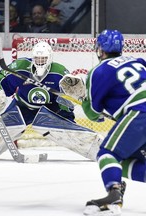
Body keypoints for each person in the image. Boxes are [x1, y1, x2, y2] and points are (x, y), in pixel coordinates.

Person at [0, 41, 102, 161]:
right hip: (22, 107)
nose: (40, 61)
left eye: (43, 59)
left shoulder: (58, 71)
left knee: (69, 130)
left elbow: (70, 93)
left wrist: (77, 93)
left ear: (49, 59)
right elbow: (0, 79)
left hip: (50, 109)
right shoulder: (20, 67)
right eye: (37, 58)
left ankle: (96, 147)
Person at [60, 29, 146, 215]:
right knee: (124, 163)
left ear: (100, 49)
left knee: (107, 154)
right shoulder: (138, 61)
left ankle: (114, 192)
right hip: (139, 113)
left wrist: (82, 98)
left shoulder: (99, 71)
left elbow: (93, 115)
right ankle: (115, 186)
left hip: (140, 113)